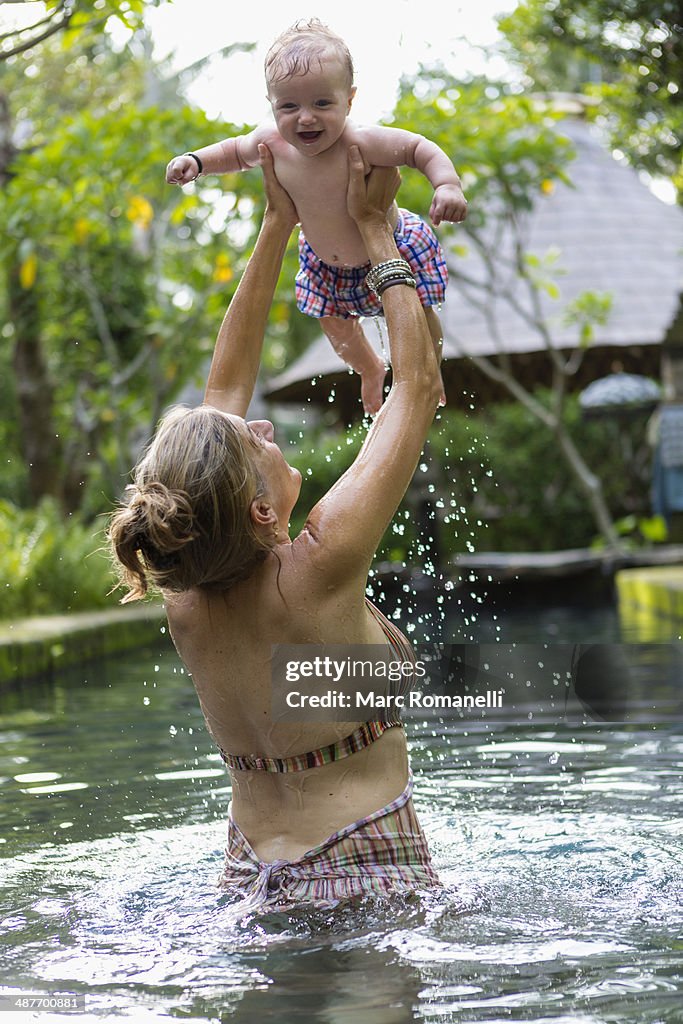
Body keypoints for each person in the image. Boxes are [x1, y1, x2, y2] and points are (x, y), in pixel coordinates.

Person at [110, 143, 442, 913]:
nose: (260, 423)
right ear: (260, 510)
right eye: (256, 442)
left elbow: (221, 394)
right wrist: (376, 232)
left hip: (245, 871)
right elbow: (418, 387)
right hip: (365, 860)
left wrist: (275, 225)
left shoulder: (182, 586)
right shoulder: (319, 563)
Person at [166, 18, 467, 415]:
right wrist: (196, 161)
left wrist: (447, 185)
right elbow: (234, 153)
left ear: (349, 100)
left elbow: (417, 149)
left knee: (419, 316)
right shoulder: (270, 142)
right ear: (272, 104)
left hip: (393, 248)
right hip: (327, 265)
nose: (305, 118)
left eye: (322, 104)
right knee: (336, 328)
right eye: (289, 106)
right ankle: (370, 369)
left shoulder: (361, 140)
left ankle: (430, 370)